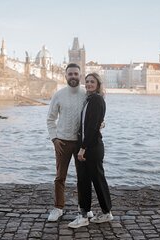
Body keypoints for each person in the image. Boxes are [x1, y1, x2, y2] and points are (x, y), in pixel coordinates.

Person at [46, 63, 93, 221]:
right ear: (65, 76)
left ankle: (83, 207)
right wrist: (54, 138)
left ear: (80, 76)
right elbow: (50, 119)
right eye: (70, 74)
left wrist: (101, 123)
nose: (73, 76)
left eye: (75, 74)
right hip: (62, 142)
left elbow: (94, 115)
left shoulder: (86, 94)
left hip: (80, 143)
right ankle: (58, 208)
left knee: (83, 176)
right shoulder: (58, 95)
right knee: (60, 177)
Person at [68, 73, 113, 229]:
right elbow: (91, 123)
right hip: (89, 146)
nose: (88, 84)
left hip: (91, 148)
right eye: (86, 81)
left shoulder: (96, 100)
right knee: (86, 180)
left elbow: (92, 127)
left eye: (92, 82)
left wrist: (83, 148)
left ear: (98, 84)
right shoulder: (90, 99)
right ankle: (87, 213)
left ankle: (96, 214)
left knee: (93, 180)